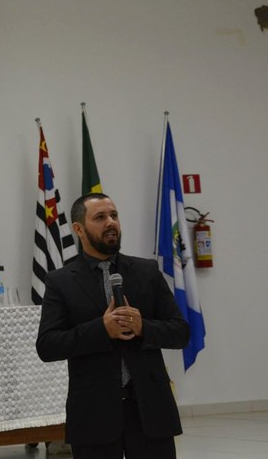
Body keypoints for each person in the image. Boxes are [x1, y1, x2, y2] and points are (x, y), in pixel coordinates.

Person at [36, 193, 190, 459]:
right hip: (93, 413)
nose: (111, 222)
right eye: (100, 217)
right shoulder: (61, 281)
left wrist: (143, 327)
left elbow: (181, 332)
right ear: (78, 229)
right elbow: (48, 346)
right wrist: (101, 329)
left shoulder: (146, 271)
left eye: (114, 215)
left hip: (150, 410)